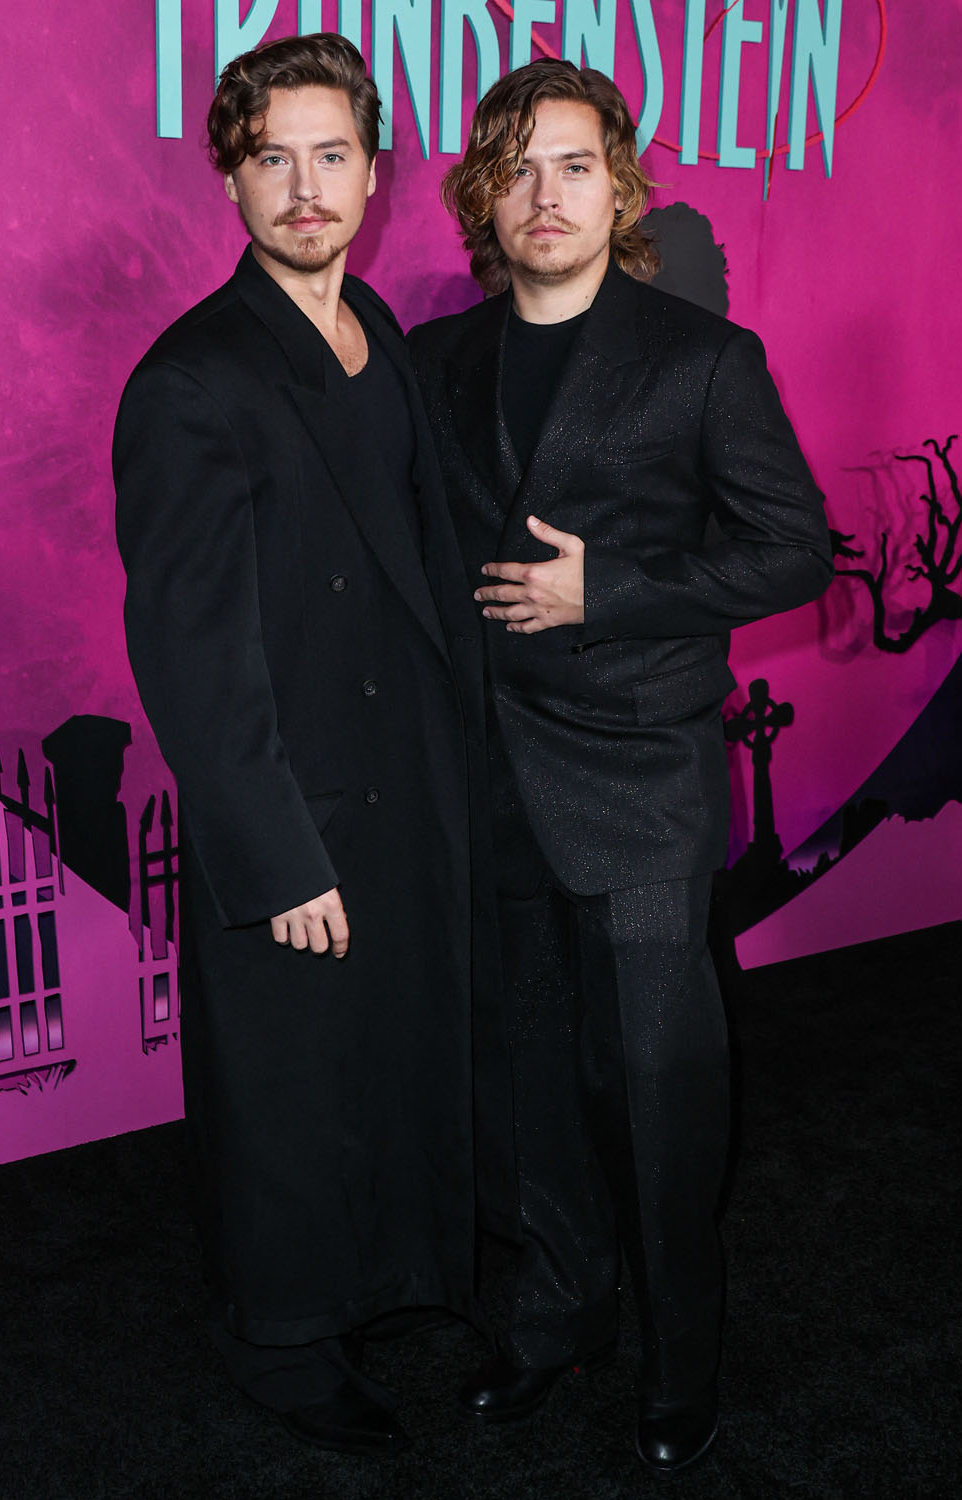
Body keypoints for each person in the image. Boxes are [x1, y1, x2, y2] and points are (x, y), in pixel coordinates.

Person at [409, 59, 832, 1473]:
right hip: (492, 779)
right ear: (485, 193)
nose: (547, 194)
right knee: (528, 1080)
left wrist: (614, 592)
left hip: (643, 780)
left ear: (621, 188)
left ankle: (679, 1353)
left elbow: (795, 551)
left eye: (576, 165)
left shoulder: (702, 357)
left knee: (658, 1084)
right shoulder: (441, 359)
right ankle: (556, 1315)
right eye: (519, 167)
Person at [113, 33, 505, 1458]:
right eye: (270, 157)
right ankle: (281, 1343)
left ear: (374, 172)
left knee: (385, 1056)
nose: (303, 188)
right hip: (293, 801)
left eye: (330, 154)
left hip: (405, 774)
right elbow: (191, 654)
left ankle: (387, 1280)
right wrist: (275, 856)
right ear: (229, 177)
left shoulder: (376, 329)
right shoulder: (191, 380)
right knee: (287, 1085)